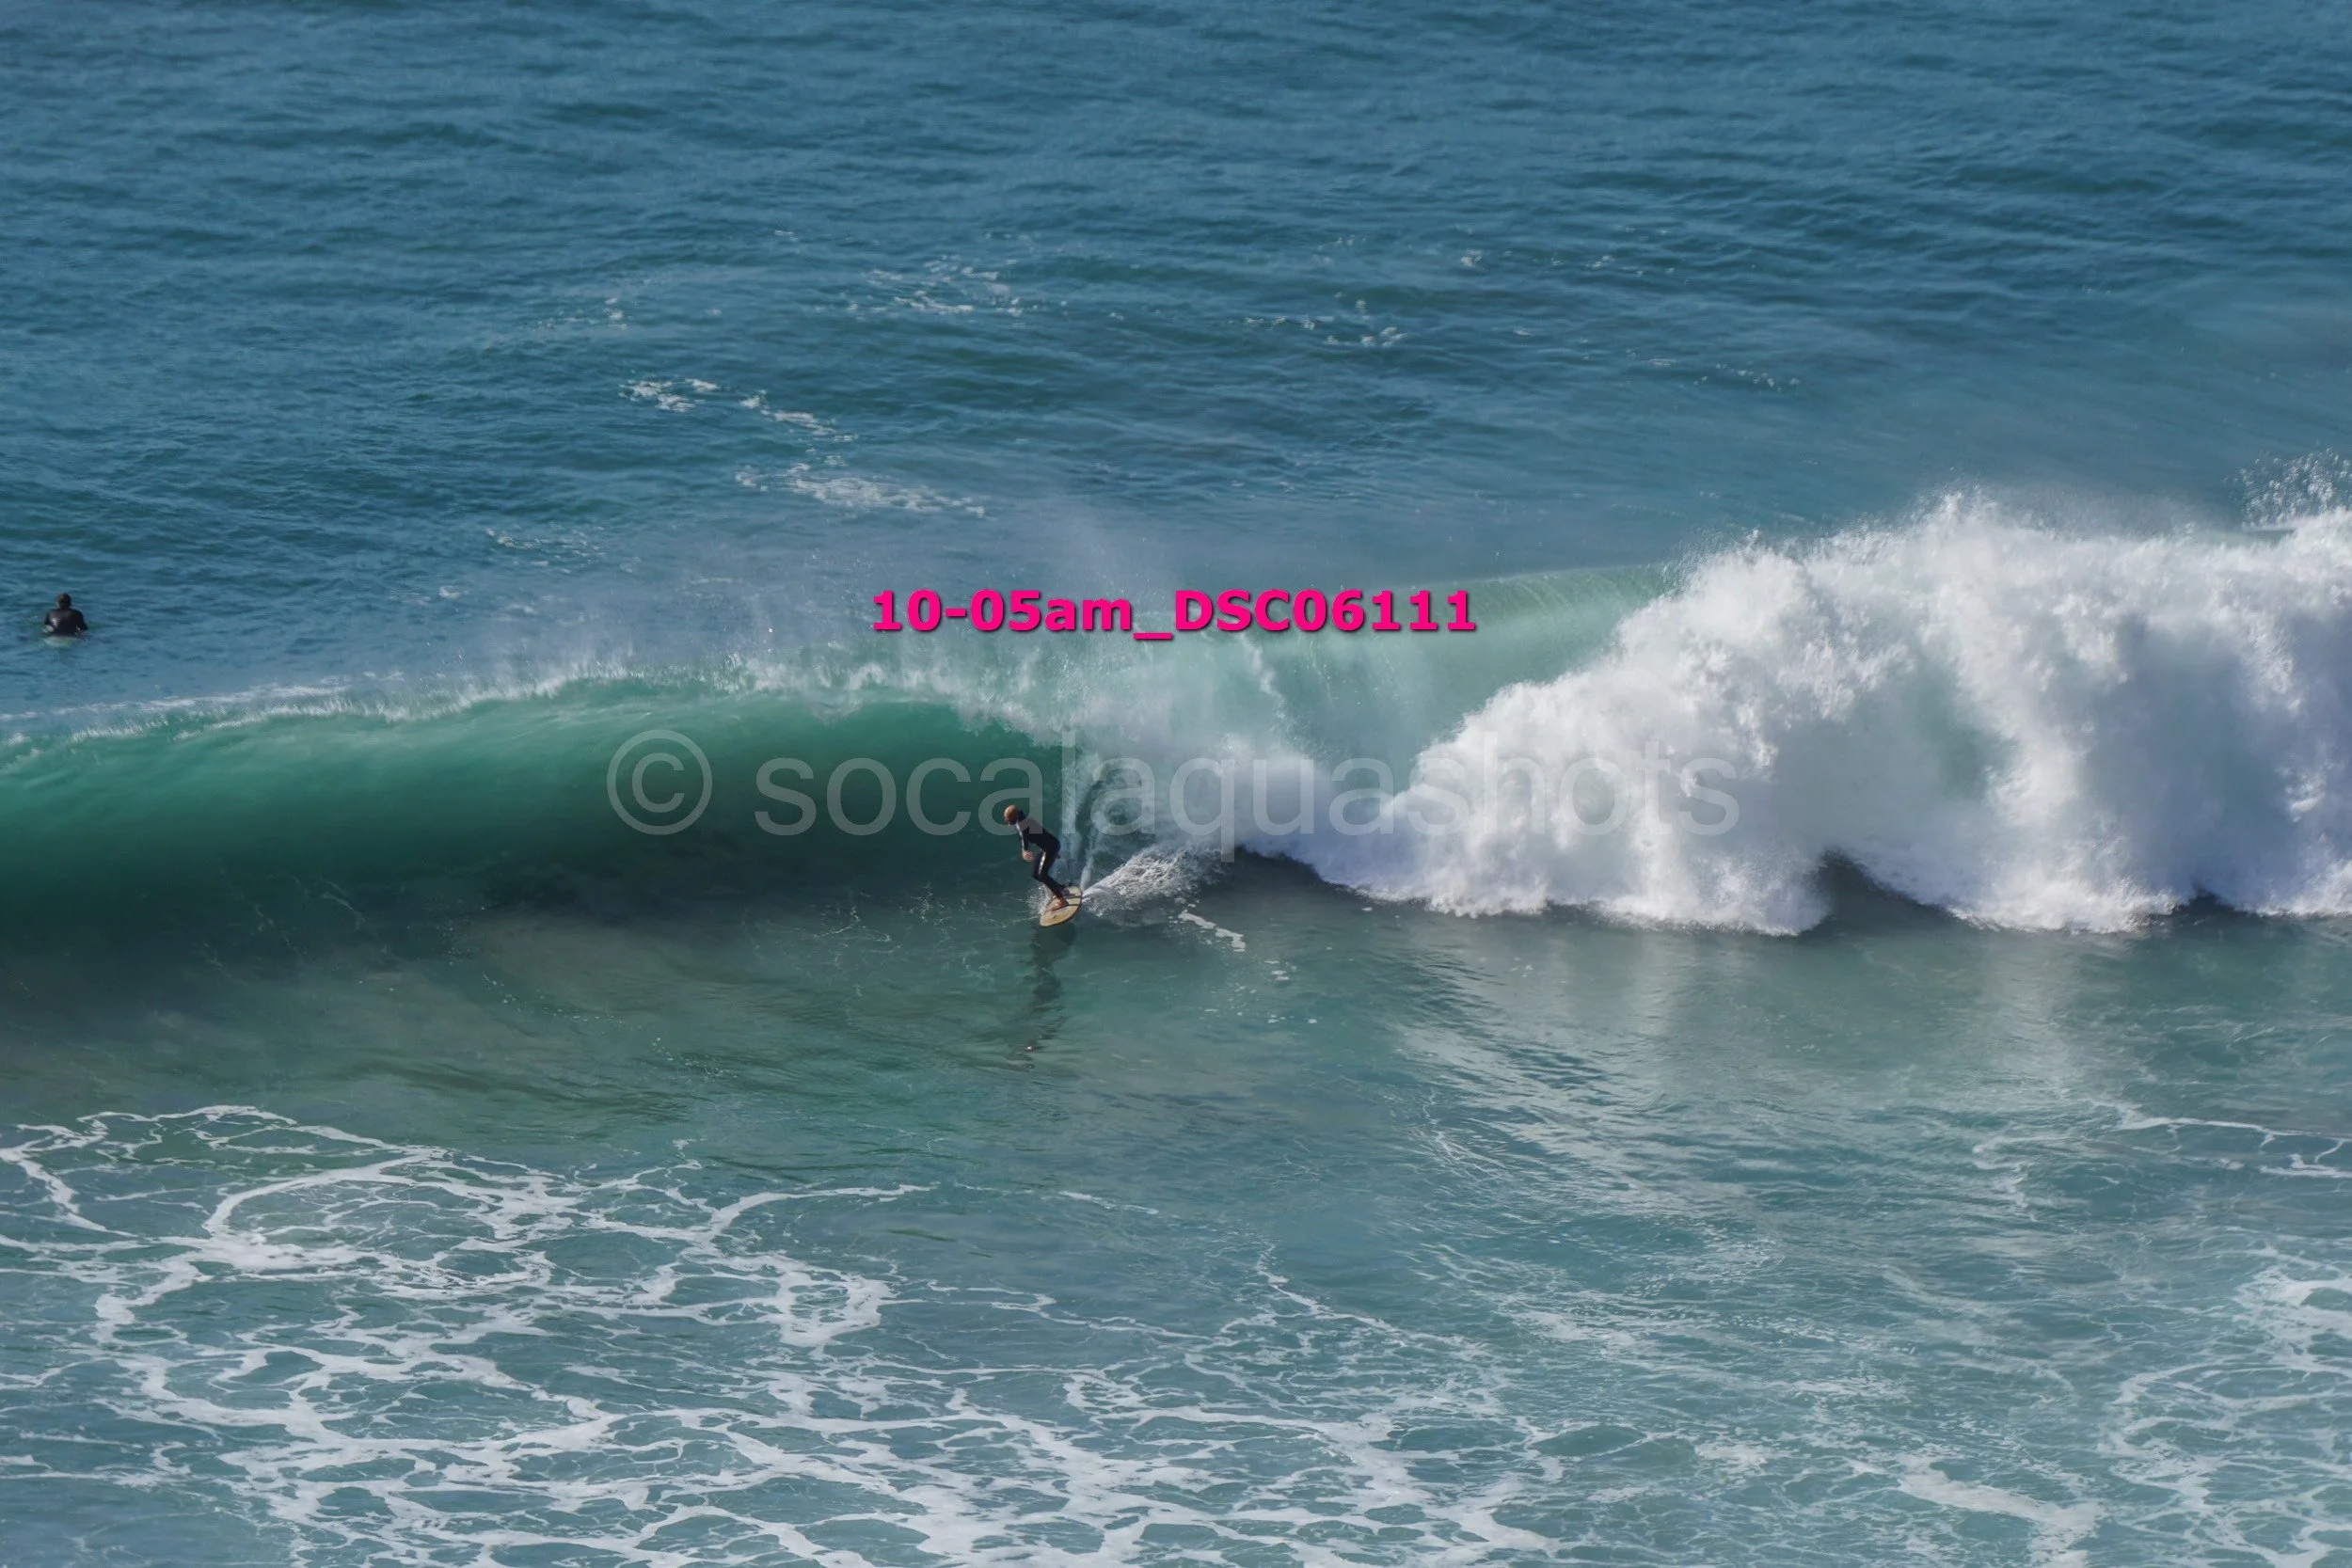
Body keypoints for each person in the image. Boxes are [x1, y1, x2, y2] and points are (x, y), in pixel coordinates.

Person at [1001, 803, 1073, 909]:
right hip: (1048, 846)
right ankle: (1061, 889)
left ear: (1013, 816)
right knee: (1036, 874)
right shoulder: (1024, 820)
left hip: (1050, 847)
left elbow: (1024, 839)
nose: (1006, 820)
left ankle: (1062, 900)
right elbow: (1043, 832)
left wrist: (1024, 850)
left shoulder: (1022, 824)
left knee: (1042, 875)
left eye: (1007, 817)